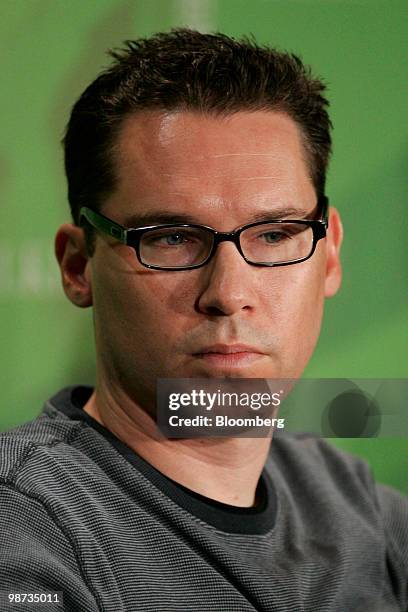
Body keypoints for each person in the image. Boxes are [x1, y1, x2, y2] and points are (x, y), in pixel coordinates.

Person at [0, 29, 407, 612]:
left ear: (331, 253)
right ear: (77, 266)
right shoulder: (23, 526)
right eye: (171, 238)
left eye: (274, 235)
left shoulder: (357, 503)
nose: (229, 293)